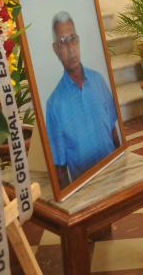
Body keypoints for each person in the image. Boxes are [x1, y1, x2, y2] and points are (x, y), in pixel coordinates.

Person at [46, 11, 120, 187]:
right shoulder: (54, 104)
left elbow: (113, 130)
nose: (71, 49)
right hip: (86, 189)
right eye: (63, 42)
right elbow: (60, 169)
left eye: (73, 39)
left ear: (78, 41)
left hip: (114, 174)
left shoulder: (98, 81)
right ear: (56, 49)